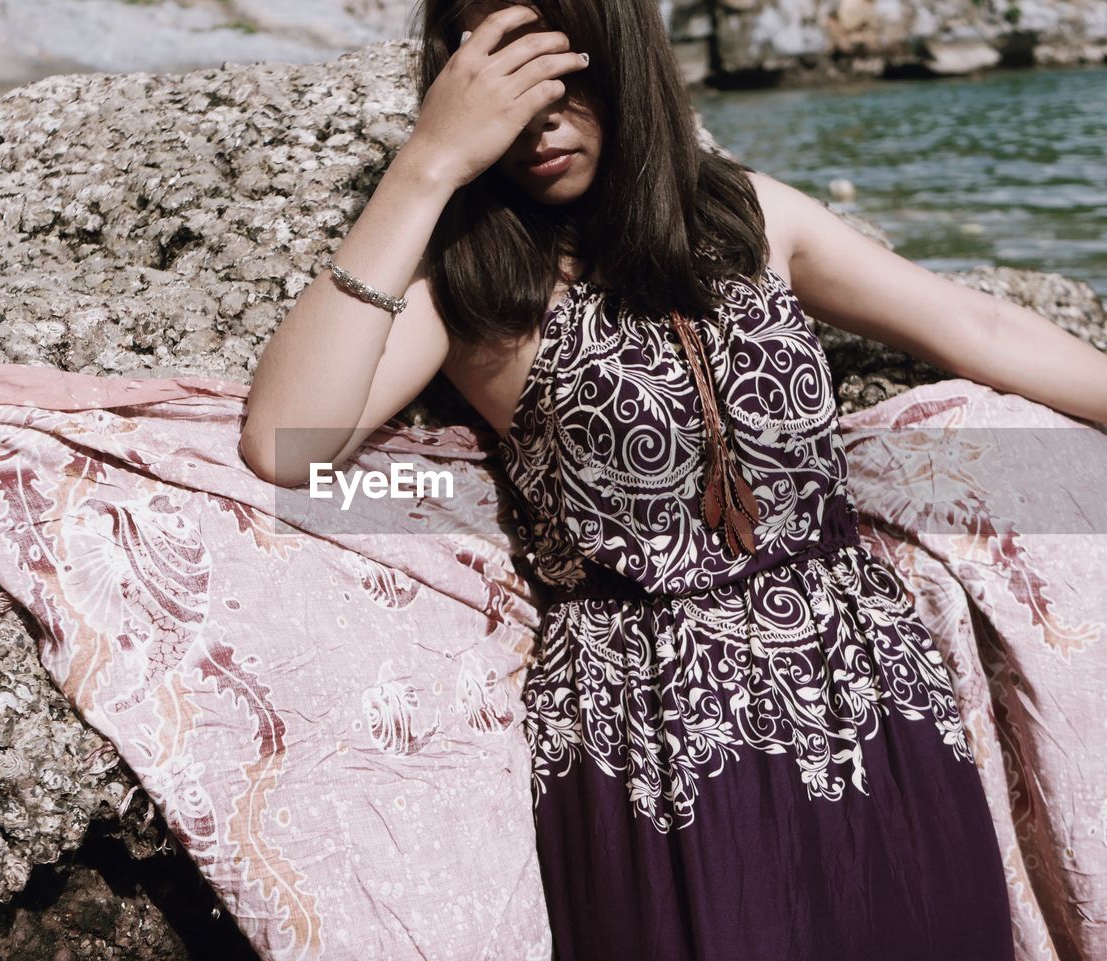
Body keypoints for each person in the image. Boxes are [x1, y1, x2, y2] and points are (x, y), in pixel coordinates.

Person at [241, 1, 1107, 958]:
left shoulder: (745, 214)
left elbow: (975, 329)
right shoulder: (474, 283)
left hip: (868, 690)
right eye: (501, 87)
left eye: (568, 80)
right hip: (652, 727)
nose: (541, 121)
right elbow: (287, 446)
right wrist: (426, 166)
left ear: (626, 65)